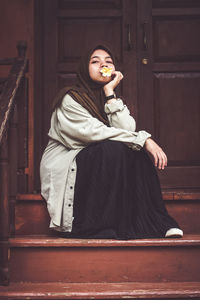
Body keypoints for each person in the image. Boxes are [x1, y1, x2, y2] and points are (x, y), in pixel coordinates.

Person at [40, 45, 183, 240]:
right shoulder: (70, 98)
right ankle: (96, 223)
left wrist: (109, 93)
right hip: (69, 161)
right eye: (95, 61)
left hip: (100, 159)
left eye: (108, 61)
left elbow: (126, 130)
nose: (103, 65)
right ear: (84, 67)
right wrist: (145, 139)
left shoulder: (110, 98)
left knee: (132, 150)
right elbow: (94, 133)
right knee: (113, 149)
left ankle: (157, 222)